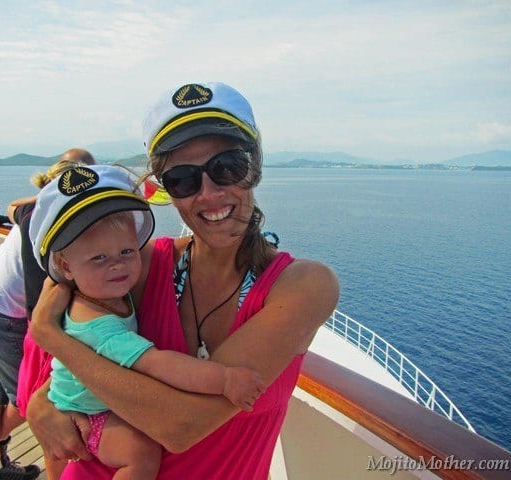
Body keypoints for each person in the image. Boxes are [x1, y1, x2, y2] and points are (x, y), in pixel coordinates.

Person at [26, 82, 340, 479]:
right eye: (183, 179)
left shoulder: (303, 285)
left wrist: (51, 338)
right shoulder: (136, 265)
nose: (209, 193)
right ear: (163, 189)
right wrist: (40, 404)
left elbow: (181, 427)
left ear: (255, 165)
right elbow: (60, 350)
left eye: (227, 167)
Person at [28, 165, 266, 479]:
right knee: (141, 455)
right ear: (65, 266)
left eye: (127, 250)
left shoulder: (102, 293)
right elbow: (158, 363)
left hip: (77, 402)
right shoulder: (100, 324)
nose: (117, 265)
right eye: (99, 258)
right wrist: (224, 380)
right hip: (92, 413)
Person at [0, 149, 94, 480]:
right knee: (36, 398)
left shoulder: (36, 207)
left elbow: (16, 206)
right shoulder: (50, 220)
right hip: (2, 314)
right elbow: (44, 295)